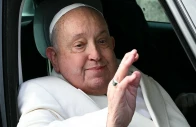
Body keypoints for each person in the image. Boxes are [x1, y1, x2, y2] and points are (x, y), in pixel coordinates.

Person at [17, 2, 190, 127]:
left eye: (102, 41)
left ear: (113, 45)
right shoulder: (38, 91)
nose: (95, 54)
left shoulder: (135, 76)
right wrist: (111, 121)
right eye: (79, 45)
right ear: (54, 57)